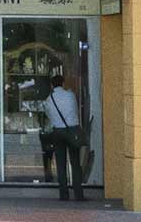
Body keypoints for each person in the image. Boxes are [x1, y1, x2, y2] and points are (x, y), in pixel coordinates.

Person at [45, 74, 86, 202]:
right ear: (63, 83)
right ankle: (78, 194)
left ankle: (64, 194)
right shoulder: (71, 95)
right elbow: (75, 110)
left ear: (52, 85)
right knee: (75, 163)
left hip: (57, 132)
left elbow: (49, 116)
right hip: (72, 130)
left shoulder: (49, 99)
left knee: (60, 164)